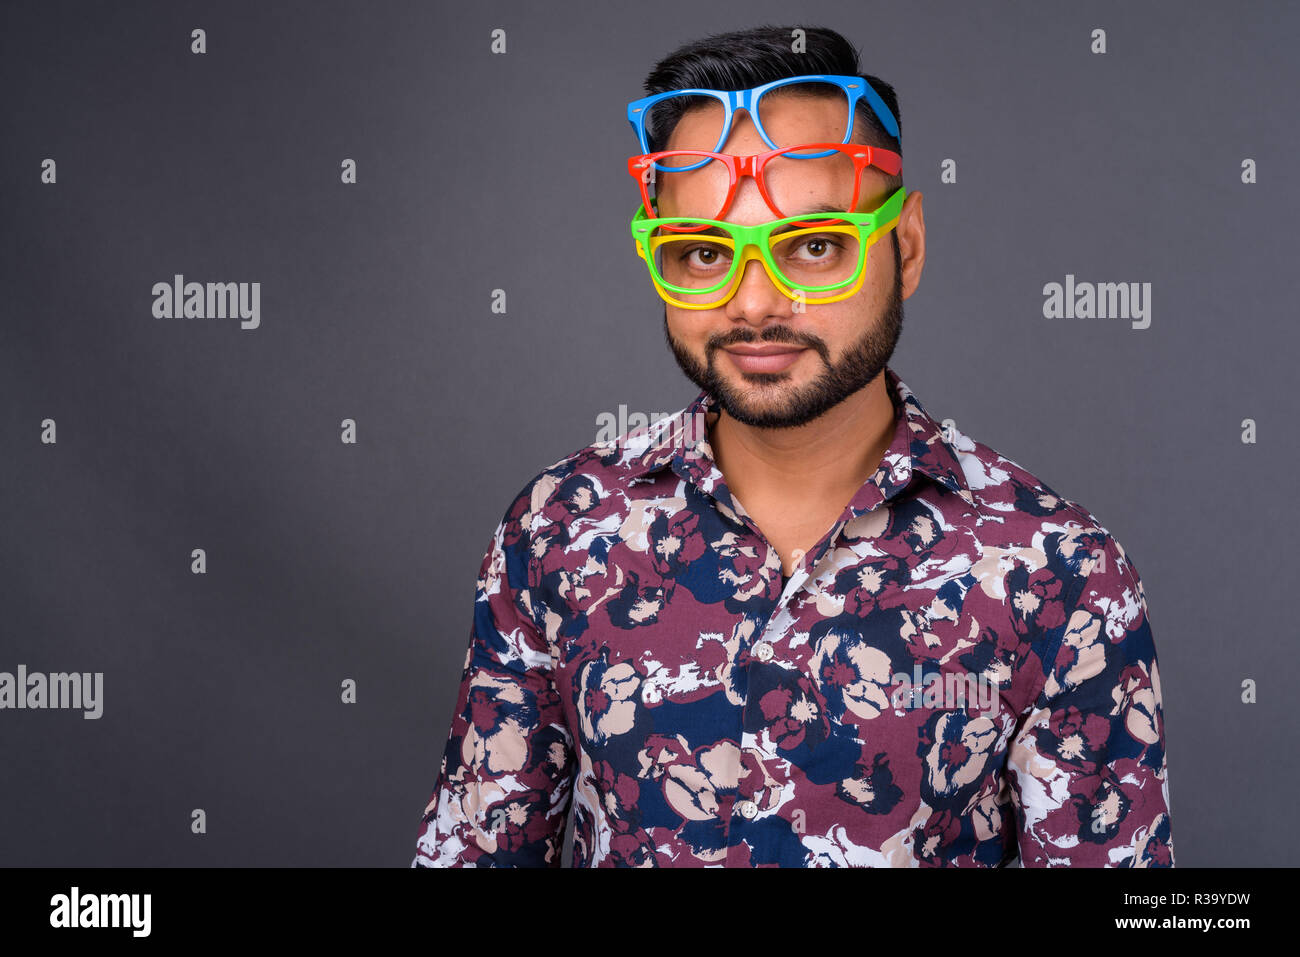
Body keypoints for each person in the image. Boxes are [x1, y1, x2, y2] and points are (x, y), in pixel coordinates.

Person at [411, 24, 1172, 867]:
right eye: (703, 253)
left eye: (813, 246)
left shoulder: (1059, 572)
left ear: (904, 246)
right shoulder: (557, 532)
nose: (756, 302)